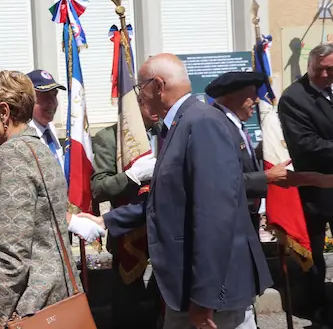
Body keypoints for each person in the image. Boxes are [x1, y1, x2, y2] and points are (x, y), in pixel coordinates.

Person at [80, 53, 272, 329]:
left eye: (141, 87)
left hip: (213, 292)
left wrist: (204, 298)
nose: (139, 97)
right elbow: (169, 201)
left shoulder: (201, 123)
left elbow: (214, 215)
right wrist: (105, 221)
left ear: (157, 85)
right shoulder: (181, 124)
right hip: (190, 290)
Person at [0, 70, 104, 329]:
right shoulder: (38, 148)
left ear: (4, 113)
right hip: (52, 297)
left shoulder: (14, 155)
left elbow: (14, 254)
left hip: (29, 307)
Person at [91, 95, 161, 328]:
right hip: (128, 232)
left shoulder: (168, 133)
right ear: (134, 105)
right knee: (127, 307)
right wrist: (131, 177)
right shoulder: (109, 138)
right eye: (150, 103)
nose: (157, 109)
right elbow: (99, 188)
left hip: (166, 231)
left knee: (164, 304)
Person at [278, 43, 333, 327]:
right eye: (318, 69)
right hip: (316, 190)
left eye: (330, 69)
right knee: (313, 254)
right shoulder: (294, 98)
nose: (324, 75)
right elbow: (305, 145)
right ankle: (318, 309)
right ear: (309, 65)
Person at [205, 71, 295, 234]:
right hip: (230, 221)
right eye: (252, 94)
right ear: (232, 96)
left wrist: (261, 151)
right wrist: (267, 177)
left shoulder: (231, 123)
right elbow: (219, 181)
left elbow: (237, 162)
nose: (258, 99)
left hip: (243, 215)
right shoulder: (215, 126)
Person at [26, 69, 66, 169]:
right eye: (45, 96)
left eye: (54, 95)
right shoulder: (25, 137)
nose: (52, 103)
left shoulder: (49, 129)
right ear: (28, 99)